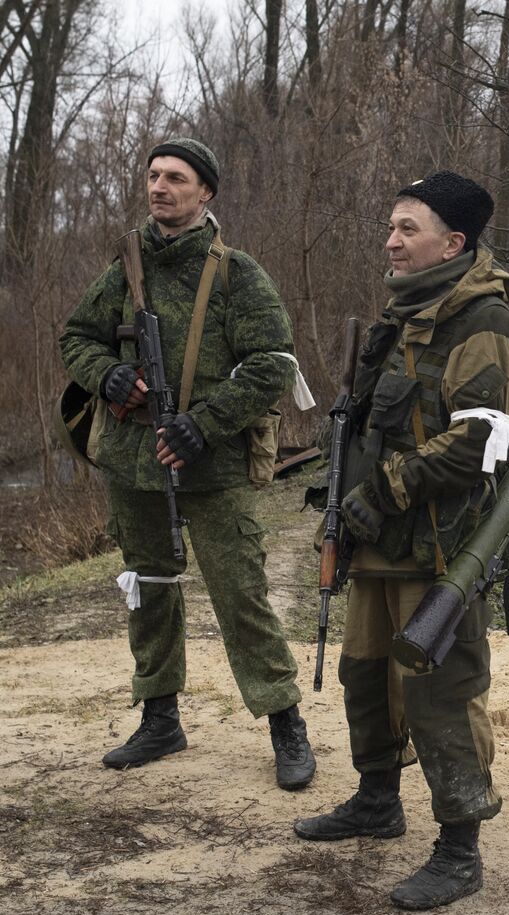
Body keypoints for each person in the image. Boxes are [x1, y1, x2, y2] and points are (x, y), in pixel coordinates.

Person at [293, 171, 509, 911]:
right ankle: (375, 800)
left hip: (436, 550)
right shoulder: (402, 315)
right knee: (366, 676)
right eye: (390, 227)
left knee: (441, 696)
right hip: (380, 545)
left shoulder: (480, 321)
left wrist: (383, 490)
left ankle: (460, 849)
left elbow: (479, 444)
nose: (391, 241)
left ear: (452, 242)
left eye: (408, 229)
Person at [59, 137, 316, 791]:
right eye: (153, 175)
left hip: (212, 465)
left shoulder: (236, 273)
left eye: (175, 177)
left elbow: (273, 361)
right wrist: (110, 376)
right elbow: (76, 337)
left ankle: (286, 723)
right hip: (133, 460)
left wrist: (204, 424)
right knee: (149, 589)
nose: (159, 187)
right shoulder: (127, 264)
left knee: (241, 595)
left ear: (205, 193)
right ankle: (159, 716)